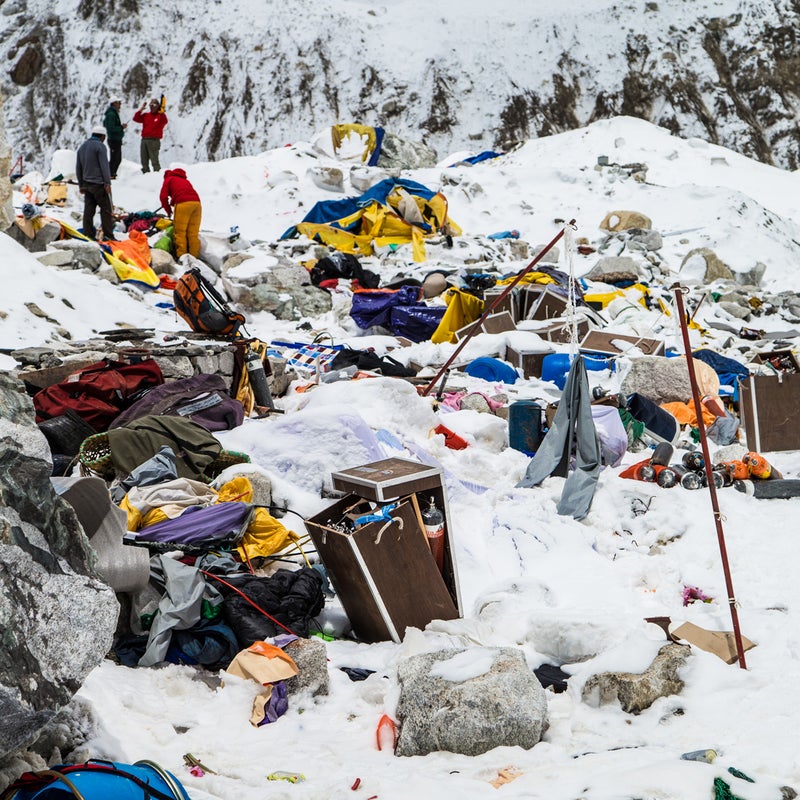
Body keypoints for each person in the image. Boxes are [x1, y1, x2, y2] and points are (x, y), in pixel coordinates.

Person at [75, 126, 116, 241]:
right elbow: (104, 166)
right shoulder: (100, 147)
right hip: (99, 184)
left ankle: (88, 234)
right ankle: (108, 235)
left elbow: (78, 167)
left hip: (87, 184)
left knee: (89, 210)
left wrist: (81, 184)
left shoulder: (82, 147)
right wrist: (107, 183)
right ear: (102, 136)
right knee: (106, 210)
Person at [160, 168, 201, 258]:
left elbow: (163, 197)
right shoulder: (185, 181)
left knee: (180, 233)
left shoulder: (169, 179)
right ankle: (195, 258)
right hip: (197, 204)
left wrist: (168, 210)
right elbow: (183, 192)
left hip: (183, 204)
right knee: (193, 234)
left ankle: (182, 258)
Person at [132, 98, 168, 173]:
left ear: (158, 106)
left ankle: (157, 175)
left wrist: (162, 112)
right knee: (144, 160)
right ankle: (146, 175)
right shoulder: (146, 115)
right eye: (150, 105)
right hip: (144, 139)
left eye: (154, 105)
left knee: (154, 160)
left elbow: (165, 121)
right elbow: (136, 118)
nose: (152, 106)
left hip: (154, 141)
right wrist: (141, 109)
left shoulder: (160, 116)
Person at [103, 96, 126, 179]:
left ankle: (111, 173)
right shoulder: (112, 114)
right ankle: (110, 174)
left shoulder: (112, 113)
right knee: (115, 158)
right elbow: (111, 127)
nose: (120, 105)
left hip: (114, 139)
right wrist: (121, 128)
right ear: (114, 103)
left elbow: (106, 124)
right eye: (118, 103)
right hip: (114, 139)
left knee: (116, 158)